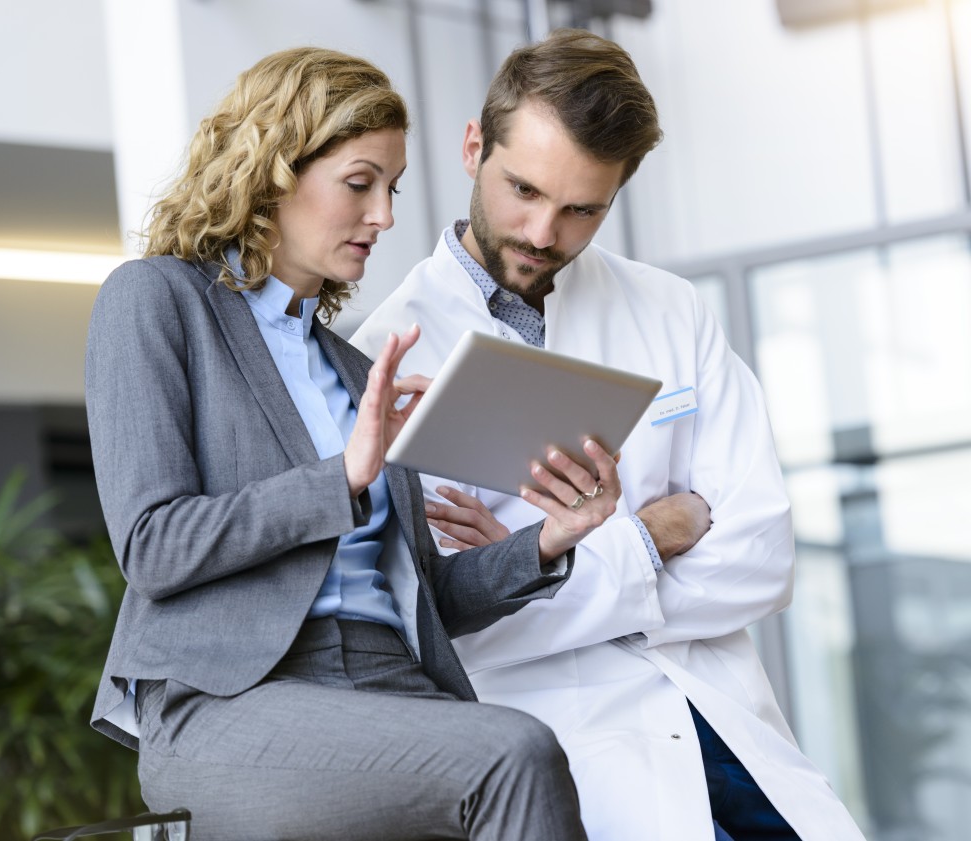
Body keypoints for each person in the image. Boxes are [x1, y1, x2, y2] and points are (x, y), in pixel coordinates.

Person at [84, 46, 619, 840]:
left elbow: (421, 595)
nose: (386, 217)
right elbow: (153, 545)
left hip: (391, 681)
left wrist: (550, 539)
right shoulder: (158, 300)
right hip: (232, 701)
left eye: (392, 189)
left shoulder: (352, 364)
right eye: (360, 183)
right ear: (272, 170)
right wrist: (343, 477)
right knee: (513, 753)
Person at [351, 29, 868, 841]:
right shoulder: (382, 358)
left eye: (582, 208)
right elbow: (444, 628)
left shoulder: (670, 310)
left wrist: (536, 566)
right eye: (523, 189)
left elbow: (763, 557)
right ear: (472, 146)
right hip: (575, 758)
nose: (543, 232)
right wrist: (658, 529)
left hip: (726, 724)